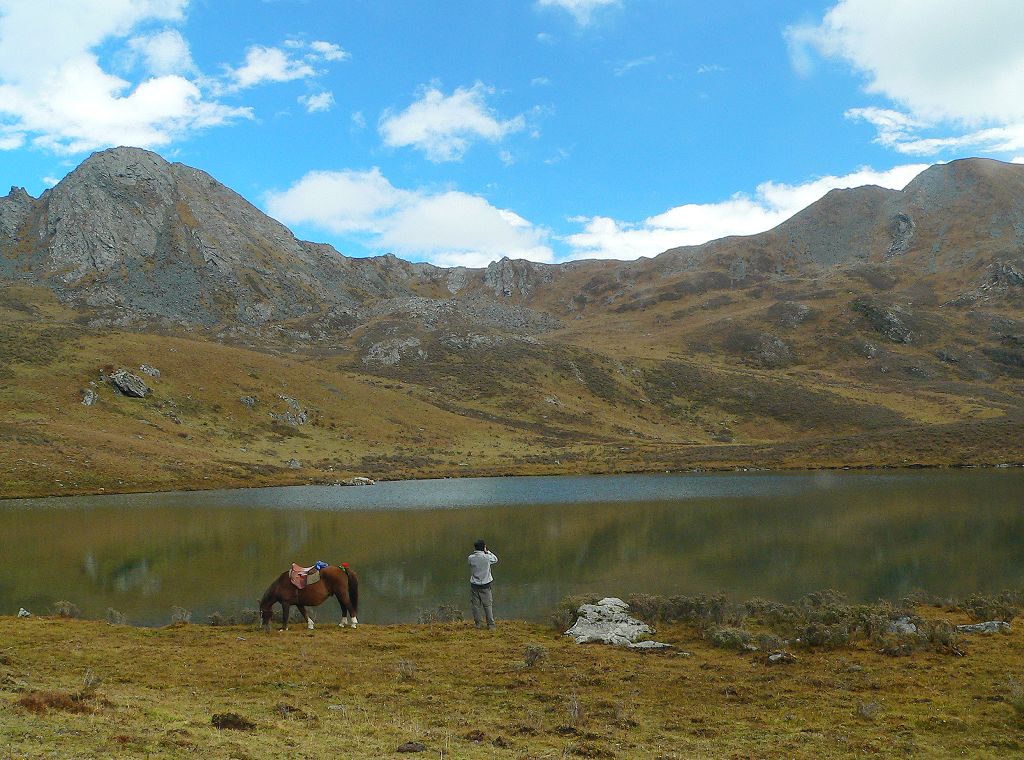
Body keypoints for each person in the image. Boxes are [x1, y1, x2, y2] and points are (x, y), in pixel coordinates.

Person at [468, 539, 498, 629]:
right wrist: (487, 551)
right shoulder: (487, 558)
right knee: (487, 605)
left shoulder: (470, 558)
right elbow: (495, 559)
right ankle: (491, 625)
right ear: (483, 547)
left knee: (476, 606)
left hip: (474, 585)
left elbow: (470, 565)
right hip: (485, 585)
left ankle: (478, 624)